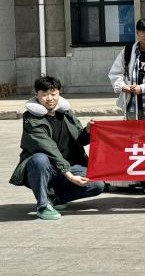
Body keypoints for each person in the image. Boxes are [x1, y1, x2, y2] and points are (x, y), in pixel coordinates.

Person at [9, 76, 105, 220]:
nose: (50, 98)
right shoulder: (31, 119)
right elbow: (49, 148)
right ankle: (43, 205)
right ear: (36, 94)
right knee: (39, 159)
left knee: (97, 185)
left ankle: (55, 198)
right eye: (44, 94)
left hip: (67, 166)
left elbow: (78, 140)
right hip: (43, 169)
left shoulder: (66, 113)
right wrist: (70, 175)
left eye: (53, 94)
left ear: (59, 92)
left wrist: (88, 131)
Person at [108, 18, 145, 120]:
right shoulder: (128, 51)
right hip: (131, 106)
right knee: (131, 129)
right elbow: (115, 73)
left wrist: (143, 88)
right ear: (137, 33)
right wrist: (122, 86)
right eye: (143, 31)